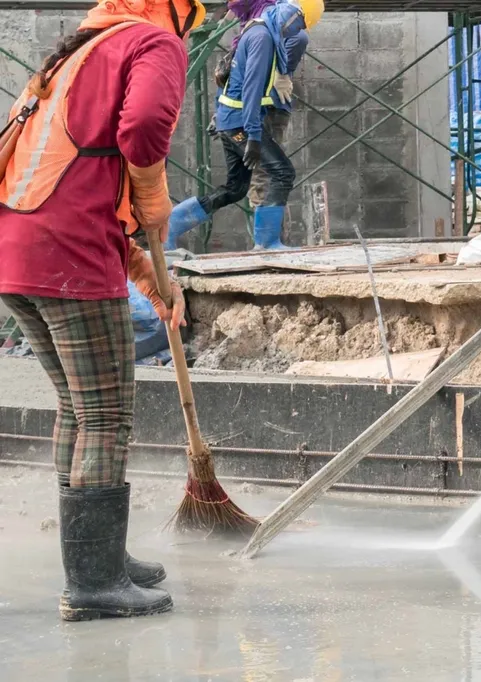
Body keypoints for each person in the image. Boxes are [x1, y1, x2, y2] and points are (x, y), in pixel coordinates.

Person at [0, 0, 199, 620]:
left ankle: (97, 558)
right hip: (69, 254)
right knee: (107, 414)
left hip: (17, 249)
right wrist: (154, 199)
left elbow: (72, 174)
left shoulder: (79, 50)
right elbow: (141, 131)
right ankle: (91, 583)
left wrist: (146, 272)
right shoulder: (153, 43)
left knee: (79, 409)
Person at [166, 0, 322, 251]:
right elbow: (250, 89)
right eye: (301, 24)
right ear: (292, 16)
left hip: (231, 119)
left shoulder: (259, 29)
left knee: (235, 188)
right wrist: (253, 135)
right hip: (240, 122)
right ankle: (268, 243)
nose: (299, 32)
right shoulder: (263, 38)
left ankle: (171, 225)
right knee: (283, 173)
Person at [240, 0, 309, 213]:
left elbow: (299, 37)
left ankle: (267, 241)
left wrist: (284, 69)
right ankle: (267, 240)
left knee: (264, 173)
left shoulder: (265, 18)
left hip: (267, 108)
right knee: (260, 175)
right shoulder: (257, 22)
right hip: (259, 109)